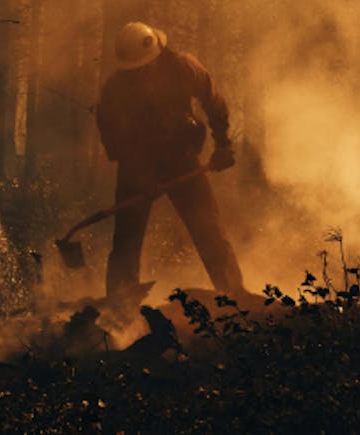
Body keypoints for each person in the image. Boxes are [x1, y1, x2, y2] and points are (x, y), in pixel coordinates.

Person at [96, 21, 247, 304]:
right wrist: (141, 179)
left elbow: (213, 101)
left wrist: (223, 143)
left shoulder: (183, 67)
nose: (141, 72)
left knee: (209, 229)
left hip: (181, 158)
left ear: (157, 54)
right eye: (135, 69)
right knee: (126, 242)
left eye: (146, 66)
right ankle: (119, 306)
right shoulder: (115, 90)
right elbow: (113, 138)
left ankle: (234, 299)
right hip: (136, 163)